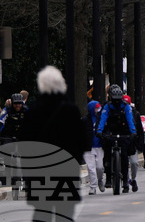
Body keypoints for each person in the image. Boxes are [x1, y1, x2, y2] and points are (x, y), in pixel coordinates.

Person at [19, 66, 90, 222]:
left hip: (40, 171)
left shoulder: (32, 113)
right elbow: (84, 142)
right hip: (65, 170)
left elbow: (24, 145)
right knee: (64, 214)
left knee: (42, 214)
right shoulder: (71, 111)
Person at [96, 85, 138, 193]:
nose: (117, 102)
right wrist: (99, 131)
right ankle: (109, 177)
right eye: (115, 100)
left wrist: (133, 132)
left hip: (123, 132)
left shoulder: (126, 107)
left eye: (119, 100)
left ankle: (124, 180)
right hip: (111, 131)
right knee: (107, 153)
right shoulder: (107, 107)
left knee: (124, 155)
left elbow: (130, 120)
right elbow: (102, 119)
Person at [84, 99, 105, 193]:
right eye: (97, 108)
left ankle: (100, 180)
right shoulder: (85, 120)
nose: (98, 109)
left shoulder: (101, 119)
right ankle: (93, 187)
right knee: (91, 168)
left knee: (99, 167)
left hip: (99, 146)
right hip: (88, 147)